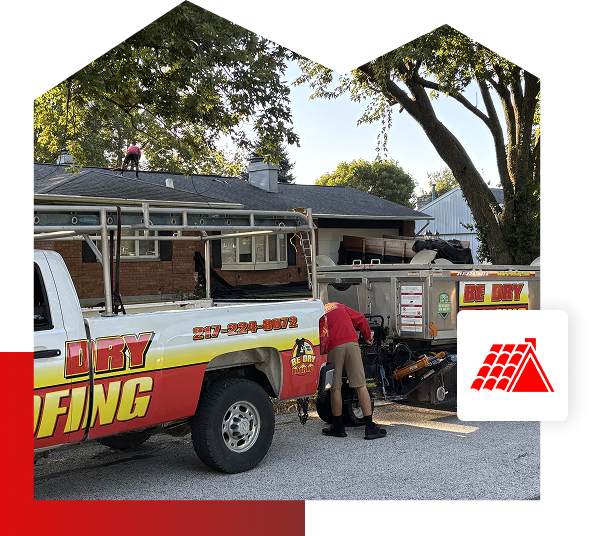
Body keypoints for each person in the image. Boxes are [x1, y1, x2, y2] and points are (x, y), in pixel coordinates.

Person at [322, 302, 387, 440]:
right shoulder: (339, 305)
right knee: (361, 385)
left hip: (334, 347)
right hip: (352, 343)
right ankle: (370, 428)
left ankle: (338, 427)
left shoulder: (320, 313)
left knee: (335, 388)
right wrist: (368, 336)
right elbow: (361, 320)